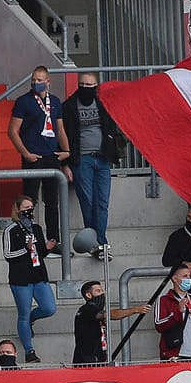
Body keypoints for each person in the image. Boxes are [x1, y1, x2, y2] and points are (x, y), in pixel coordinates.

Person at [59, 74, 120, 258]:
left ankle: (100, 242)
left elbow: (112, 127)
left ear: (96, 86)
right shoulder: (69, 106)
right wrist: (65, 164)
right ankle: (96, 243)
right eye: (83, 85)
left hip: (102, 159)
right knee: (87, 201)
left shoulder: (103, 103)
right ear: (78, 86)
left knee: (102, 203)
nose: (87, 88)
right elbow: (62, 134)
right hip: (81, 159)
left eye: (91, 85)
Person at [8, 65, 69, 245]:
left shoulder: (56, 102)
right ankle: (30, 240)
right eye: (33, 80)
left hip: (52, 155)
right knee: (29, 200)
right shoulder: (23, 101)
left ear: (48, 82)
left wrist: (67, 151)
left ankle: (53, 240)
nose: (36, 83)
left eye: (39, 80)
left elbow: (60, 128)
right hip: (33, 156)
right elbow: (12, 130)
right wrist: (26, 153)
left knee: (52, 201)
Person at [4, 196, 54, 363]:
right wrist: (26, 249)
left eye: (31, 207)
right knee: (23, 314)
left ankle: (33, 319)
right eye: (25, 207)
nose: (28, 210)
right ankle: (29, 350)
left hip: (39, 275)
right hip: (21, 279)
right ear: (17, 209)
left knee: (49, 308)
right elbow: (8, 255)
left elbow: (40, 252)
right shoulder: (10, 230)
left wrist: (46, 248)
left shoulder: (36, 228)